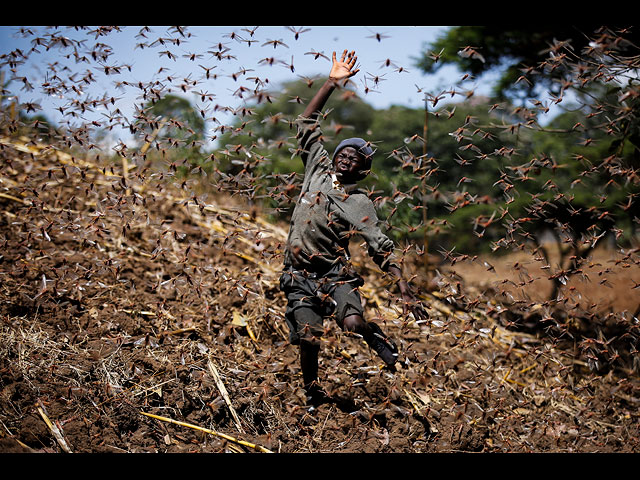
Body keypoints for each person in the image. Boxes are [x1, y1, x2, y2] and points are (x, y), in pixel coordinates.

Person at [279, 50, 427, 407]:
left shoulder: (360, 203)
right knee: (309, 336)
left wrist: (404, 289)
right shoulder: (316, 169)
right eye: (343, 153)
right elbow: (306, 121)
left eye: (354, 159)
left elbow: (380, 246)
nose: (345, 159)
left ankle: (372, 336)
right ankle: (313, 389)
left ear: (361, 171)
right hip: (298, 273)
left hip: (335, 273)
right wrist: (332, 82)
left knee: (353, 324)